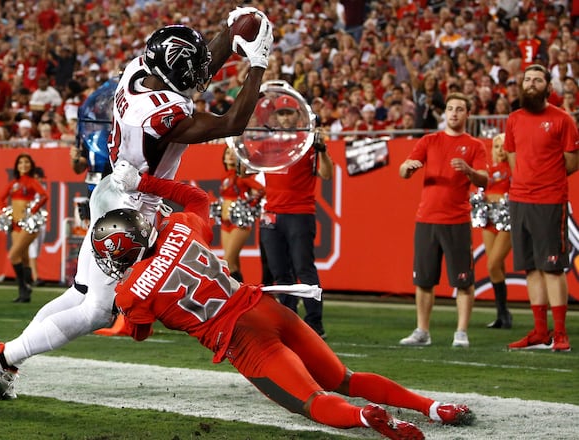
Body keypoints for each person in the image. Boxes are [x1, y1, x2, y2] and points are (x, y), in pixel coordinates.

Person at [0, 7, 275, 401]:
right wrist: (257, 62)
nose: (201, 75)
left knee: (80, 295)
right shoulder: (162, 116)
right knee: (98, 310)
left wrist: (228, 33)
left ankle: (6, 362)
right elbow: (232, 122)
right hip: (131, 213)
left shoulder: (139, 70)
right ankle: (3, 354)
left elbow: (191, 70)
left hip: (113, 191)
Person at [94, 170, 474, 439]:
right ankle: (433, 407)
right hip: (265, 307)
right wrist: (143, 182)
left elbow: (139, 330)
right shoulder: (180, 227)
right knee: (345, 378)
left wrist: (118, 302)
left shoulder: (133, 292)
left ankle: (363, 417)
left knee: (312, 402)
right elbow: (198, 198)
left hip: (241, 338)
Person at [398, 93, 488, 348]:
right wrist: (410, 167)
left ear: (467, 114)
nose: (454, 113)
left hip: (457, 220)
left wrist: (469, 171)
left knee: (463, 281)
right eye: (450, 109)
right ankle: (422, 331)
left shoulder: (475, 145)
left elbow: (484, 179)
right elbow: (403, 170)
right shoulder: (430, 140)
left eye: (460, 109)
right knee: (424, 280)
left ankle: (461, 332)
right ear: (445, 113)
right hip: (427, 218)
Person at [504, 64, 578, 352]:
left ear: (549, 87)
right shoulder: (513, 119)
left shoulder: (562, 119)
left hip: (549, 200)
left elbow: (572, 162)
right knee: (531, 268)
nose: (531, 84)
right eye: (527, 80)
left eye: (537, 80)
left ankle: (560, 334)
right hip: (519, 199)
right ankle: (539, 331)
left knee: (552, 267)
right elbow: (511, 155)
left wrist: (545, 179)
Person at [260, 94, 333, 338]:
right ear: (275, 117)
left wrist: (321, 149)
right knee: (280, 272)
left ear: (298, 115)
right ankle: (288, 321)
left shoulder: (309, 141)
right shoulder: (267, 142)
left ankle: (315, 323)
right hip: (272, 213)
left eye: (289, 113)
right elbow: (244, 165)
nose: (285, 117)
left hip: (300, 212)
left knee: (304, 268)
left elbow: (326, 174)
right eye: (281, 113)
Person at [0, 153, 48, 303]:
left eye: (26, 162)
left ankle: (23, 287)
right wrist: (6, 213)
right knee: (23, 258)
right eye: (20, 163)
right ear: (17, 166)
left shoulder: (32, 181)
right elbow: (0, 198)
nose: (23, 165)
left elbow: (44, 195)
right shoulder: (14, 183)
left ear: (31, 165)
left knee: (13, 255)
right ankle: (25, 291)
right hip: (15, 224)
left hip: (28, 225)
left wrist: (32, 211)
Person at [479, 133, 513, 329]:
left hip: (507, 219)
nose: (500, 150)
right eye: (496, 146)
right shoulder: (487, 169)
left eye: (503, 146)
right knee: (495, 267)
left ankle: (504, 313)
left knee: (493, 265)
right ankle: (502, 314)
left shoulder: (513, 168)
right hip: (489, 219)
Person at [218, 146, 265, 282]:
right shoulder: (225, 176)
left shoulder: (241, 177)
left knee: (227, 262)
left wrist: (248, 205)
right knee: (233, 263)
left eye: (234, 154)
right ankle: (242, 295)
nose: (231, 156)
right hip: (225, 222)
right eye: (228, 153)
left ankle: (236, 296)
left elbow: (261, 190)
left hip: (238, 222)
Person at [27, 167, 47, 287]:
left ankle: (30, 276)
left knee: (36, 249)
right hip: (30, 221)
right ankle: (35, 276)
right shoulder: (28, 189)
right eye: (36, 177)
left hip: (40, 220)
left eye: (40, 177)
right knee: (32, 249)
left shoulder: (42, 188)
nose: (39, 179)